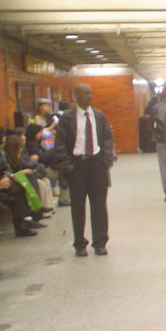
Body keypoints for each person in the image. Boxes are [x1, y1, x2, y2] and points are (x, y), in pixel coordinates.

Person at [53, 82, 115, 257]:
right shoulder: (67, 117)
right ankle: (80, 243)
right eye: (85, 93)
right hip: (76, 165)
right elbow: (60, 144)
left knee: (99, 206)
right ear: (76, 96)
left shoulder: (99, 116)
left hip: (97, 164)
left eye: (91, 93)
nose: (89, 96)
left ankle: (100, 242)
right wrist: (67, 166)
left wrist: (106, 160)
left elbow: (107, 139)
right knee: (78, 206)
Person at [0, 126, 44, 237]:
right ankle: (31, 216)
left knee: (20, 189)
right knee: (21, 187)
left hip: (6, 182)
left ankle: (27, 219)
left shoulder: (1, 153)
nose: (5, 138)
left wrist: (8, 177)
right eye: (3, 136)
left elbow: (7, 168)